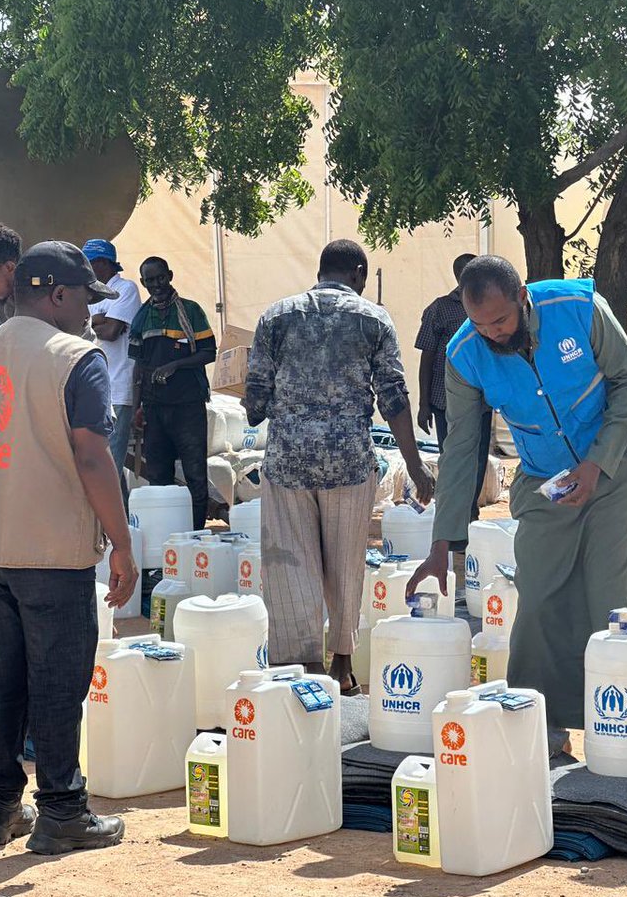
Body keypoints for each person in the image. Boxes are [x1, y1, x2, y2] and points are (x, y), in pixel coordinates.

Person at [407, 255, 627, 754]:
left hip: (618, 462)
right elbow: (459, 451)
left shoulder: (578, 308)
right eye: (480, 324)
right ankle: (541, 723)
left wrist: (599, 462)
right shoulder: (465, 354)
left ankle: (616, 726)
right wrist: (441, 543)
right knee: (540, 594)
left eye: (500, 320)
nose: (493, 334)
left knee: (607, 595)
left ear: (522, 297)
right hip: (547, 477)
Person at [0, 241, 138, 853]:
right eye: (85, 301)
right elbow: (93, 455)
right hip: (51, 549)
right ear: (59, 295)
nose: (92, 315)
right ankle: (63, 809)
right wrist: (121, 544)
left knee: (2, 674)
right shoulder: (77, 358)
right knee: (57, 678)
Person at [244, 239, 435, 693]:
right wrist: (416, 466)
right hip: (349, 465)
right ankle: (342, 666)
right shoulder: (373, 319)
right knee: (347, 563)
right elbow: (394, 398)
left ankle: (303, 672)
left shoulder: (276, 316)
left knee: (292, 566)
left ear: (320, 270)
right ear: (358, 274)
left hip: (288, 464)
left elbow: (254, 401)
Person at [129, 256, 216, 530]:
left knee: (195, 474)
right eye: (150, 280)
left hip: (188, 406)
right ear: (143, 283)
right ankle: (167, 540)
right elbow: (138, 367)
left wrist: (175, 365)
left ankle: (196, 536)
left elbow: (208, 352)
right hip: (154, 408)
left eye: (161, 278)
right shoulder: (141, 317)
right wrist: (136, 408)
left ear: (170, 275)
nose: (157, 284)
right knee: (158, 477)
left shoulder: (191, 311)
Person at [416, 252, 492, 522]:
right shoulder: (440, 309)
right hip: (444, 400)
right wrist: (423, 404)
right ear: (460, 276)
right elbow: (426, 357)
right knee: (451, 457)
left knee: (479, 457)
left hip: (481, 400)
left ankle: (469, 511)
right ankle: (453, 513)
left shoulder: (489, 306)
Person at [83, 239, 142, 492]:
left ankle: (110, 527)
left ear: (103, 263)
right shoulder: (90, 294)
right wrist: (98, 319)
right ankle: (124, 523)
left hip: (118, 387)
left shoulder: (125, 289)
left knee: (111, 461)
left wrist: (91, 320)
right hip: (97, 387)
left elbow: (110, 331)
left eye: (89, 262)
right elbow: (75, 325)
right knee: (105, 463)